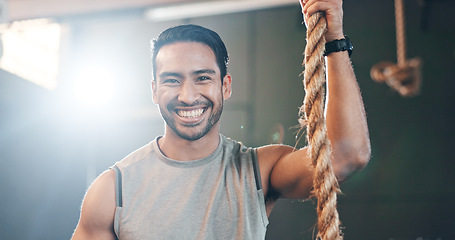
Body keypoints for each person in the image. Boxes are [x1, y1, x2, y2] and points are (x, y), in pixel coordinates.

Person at [72, 0, 370, 239]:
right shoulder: (113, 190)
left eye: (203, 78)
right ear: (154, 90)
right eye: (172, 80)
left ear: (225, 85)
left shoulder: (260, 171)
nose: (188, 96)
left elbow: (348, 155)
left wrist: (334, 40)